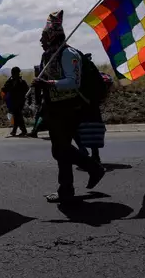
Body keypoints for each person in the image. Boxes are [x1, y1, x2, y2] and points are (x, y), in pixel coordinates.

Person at [31, 10, 105, 203]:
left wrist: (48, 84)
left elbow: (74, 82)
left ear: (52, 35)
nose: (40, 39)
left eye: (43, 35)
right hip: (54, 108)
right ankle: (69, 187)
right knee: (59, 150)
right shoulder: (48, 55)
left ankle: (90, 170)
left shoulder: (68, 54)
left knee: (61, 149)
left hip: (70, 107)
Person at [2, 67, 30, 136]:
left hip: (19, 101)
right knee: (17, 116)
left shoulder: (21, 81)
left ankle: (23, 130)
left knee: (18, 115)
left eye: (14, 73)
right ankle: (16, 131)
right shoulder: (11, 81)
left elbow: (27, 91)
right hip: (14, 101)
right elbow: (4, 89)